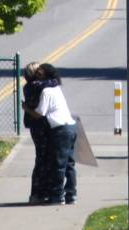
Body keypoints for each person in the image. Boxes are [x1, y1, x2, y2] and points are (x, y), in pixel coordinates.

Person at [32, 64, 77, 205]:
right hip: (71, 126)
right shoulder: (57, 88)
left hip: (60, 130)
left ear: (45, 74)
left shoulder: (46, 91)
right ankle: (71, 194)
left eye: (39, 71)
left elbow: (39, 113)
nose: (36, 73)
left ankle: (57, 196)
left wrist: (26, 108)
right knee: (69, 164)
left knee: (58, 164)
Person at [22, 62, 52, 205]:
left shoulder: (29, 86)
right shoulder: (37, 86)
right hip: (40, 126)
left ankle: (41, 192)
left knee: (43, 158)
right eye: (38, 70)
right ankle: (38, 193)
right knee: (43, 159)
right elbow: (54, 81)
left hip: (36, 126)